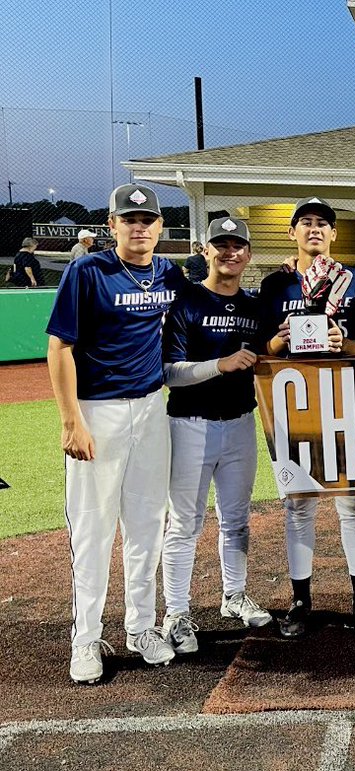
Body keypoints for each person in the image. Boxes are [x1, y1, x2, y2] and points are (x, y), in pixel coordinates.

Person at [47, 184, 187, 684]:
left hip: (151, 409)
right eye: (128, 219)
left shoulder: (170, 271)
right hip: (97, 411)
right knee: (92, 530)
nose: (139, 226)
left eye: (147, 219)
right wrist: (71, 421)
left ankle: (141, 627)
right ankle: (85, 639)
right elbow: (59, 347)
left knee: (148, 525)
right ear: (112, 226)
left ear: (159, 227)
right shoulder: (88, 271)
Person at [259, 196, 355, 638]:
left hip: (345, 402)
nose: (314, 229)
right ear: (292, 232)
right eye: (305, 222)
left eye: (323, 224)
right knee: (299, 505)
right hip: (294, 406)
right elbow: (263, 351)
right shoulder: (276, 286)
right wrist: (279, 341)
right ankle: (300, 600)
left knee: (352, 504)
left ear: (334, 234)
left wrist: (343, 344)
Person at [158, 217, 271, 656]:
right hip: (190, 424)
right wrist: (218, 365)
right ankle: (177, 612)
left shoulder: (254, 305)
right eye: (221, 245)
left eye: (238, 245)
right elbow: (170, 373)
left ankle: (234, 594)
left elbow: (266, 355)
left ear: (248, 253)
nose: (230, 252)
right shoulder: (187, 302)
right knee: (185, 524)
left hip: (240, 423)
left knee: (237, 520)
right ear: (207, 250)